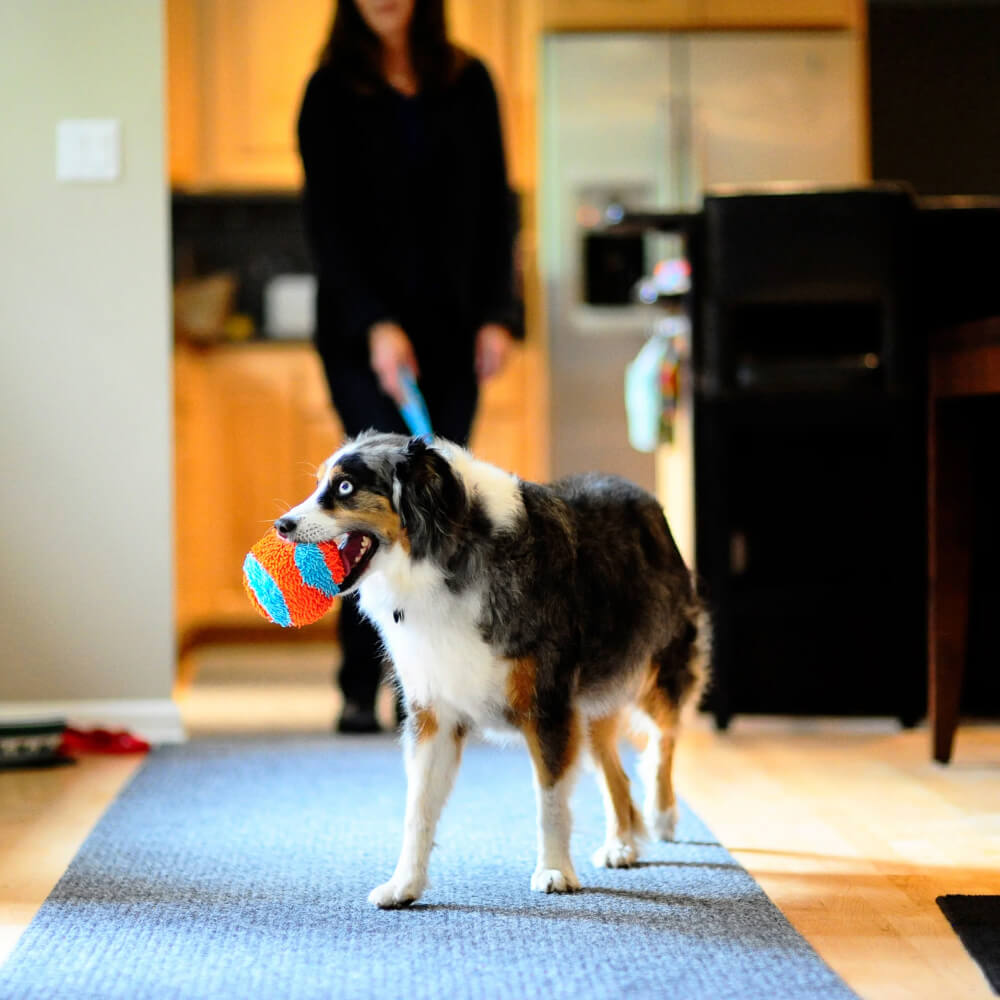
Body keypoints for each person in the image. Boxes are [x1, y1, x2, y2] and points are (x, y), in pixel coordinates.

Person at [297, 0, 522, 733]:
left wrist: (498, 312)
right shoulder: (330, 92)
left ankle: (424, 684)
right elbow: (329, 224)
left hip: (454, 332)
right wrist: (374, 326)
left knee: (434, 509)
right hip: (364, 333)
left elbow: (497, 204)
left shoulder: (470, 80)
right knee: (364, 500)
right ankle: (360, 682)